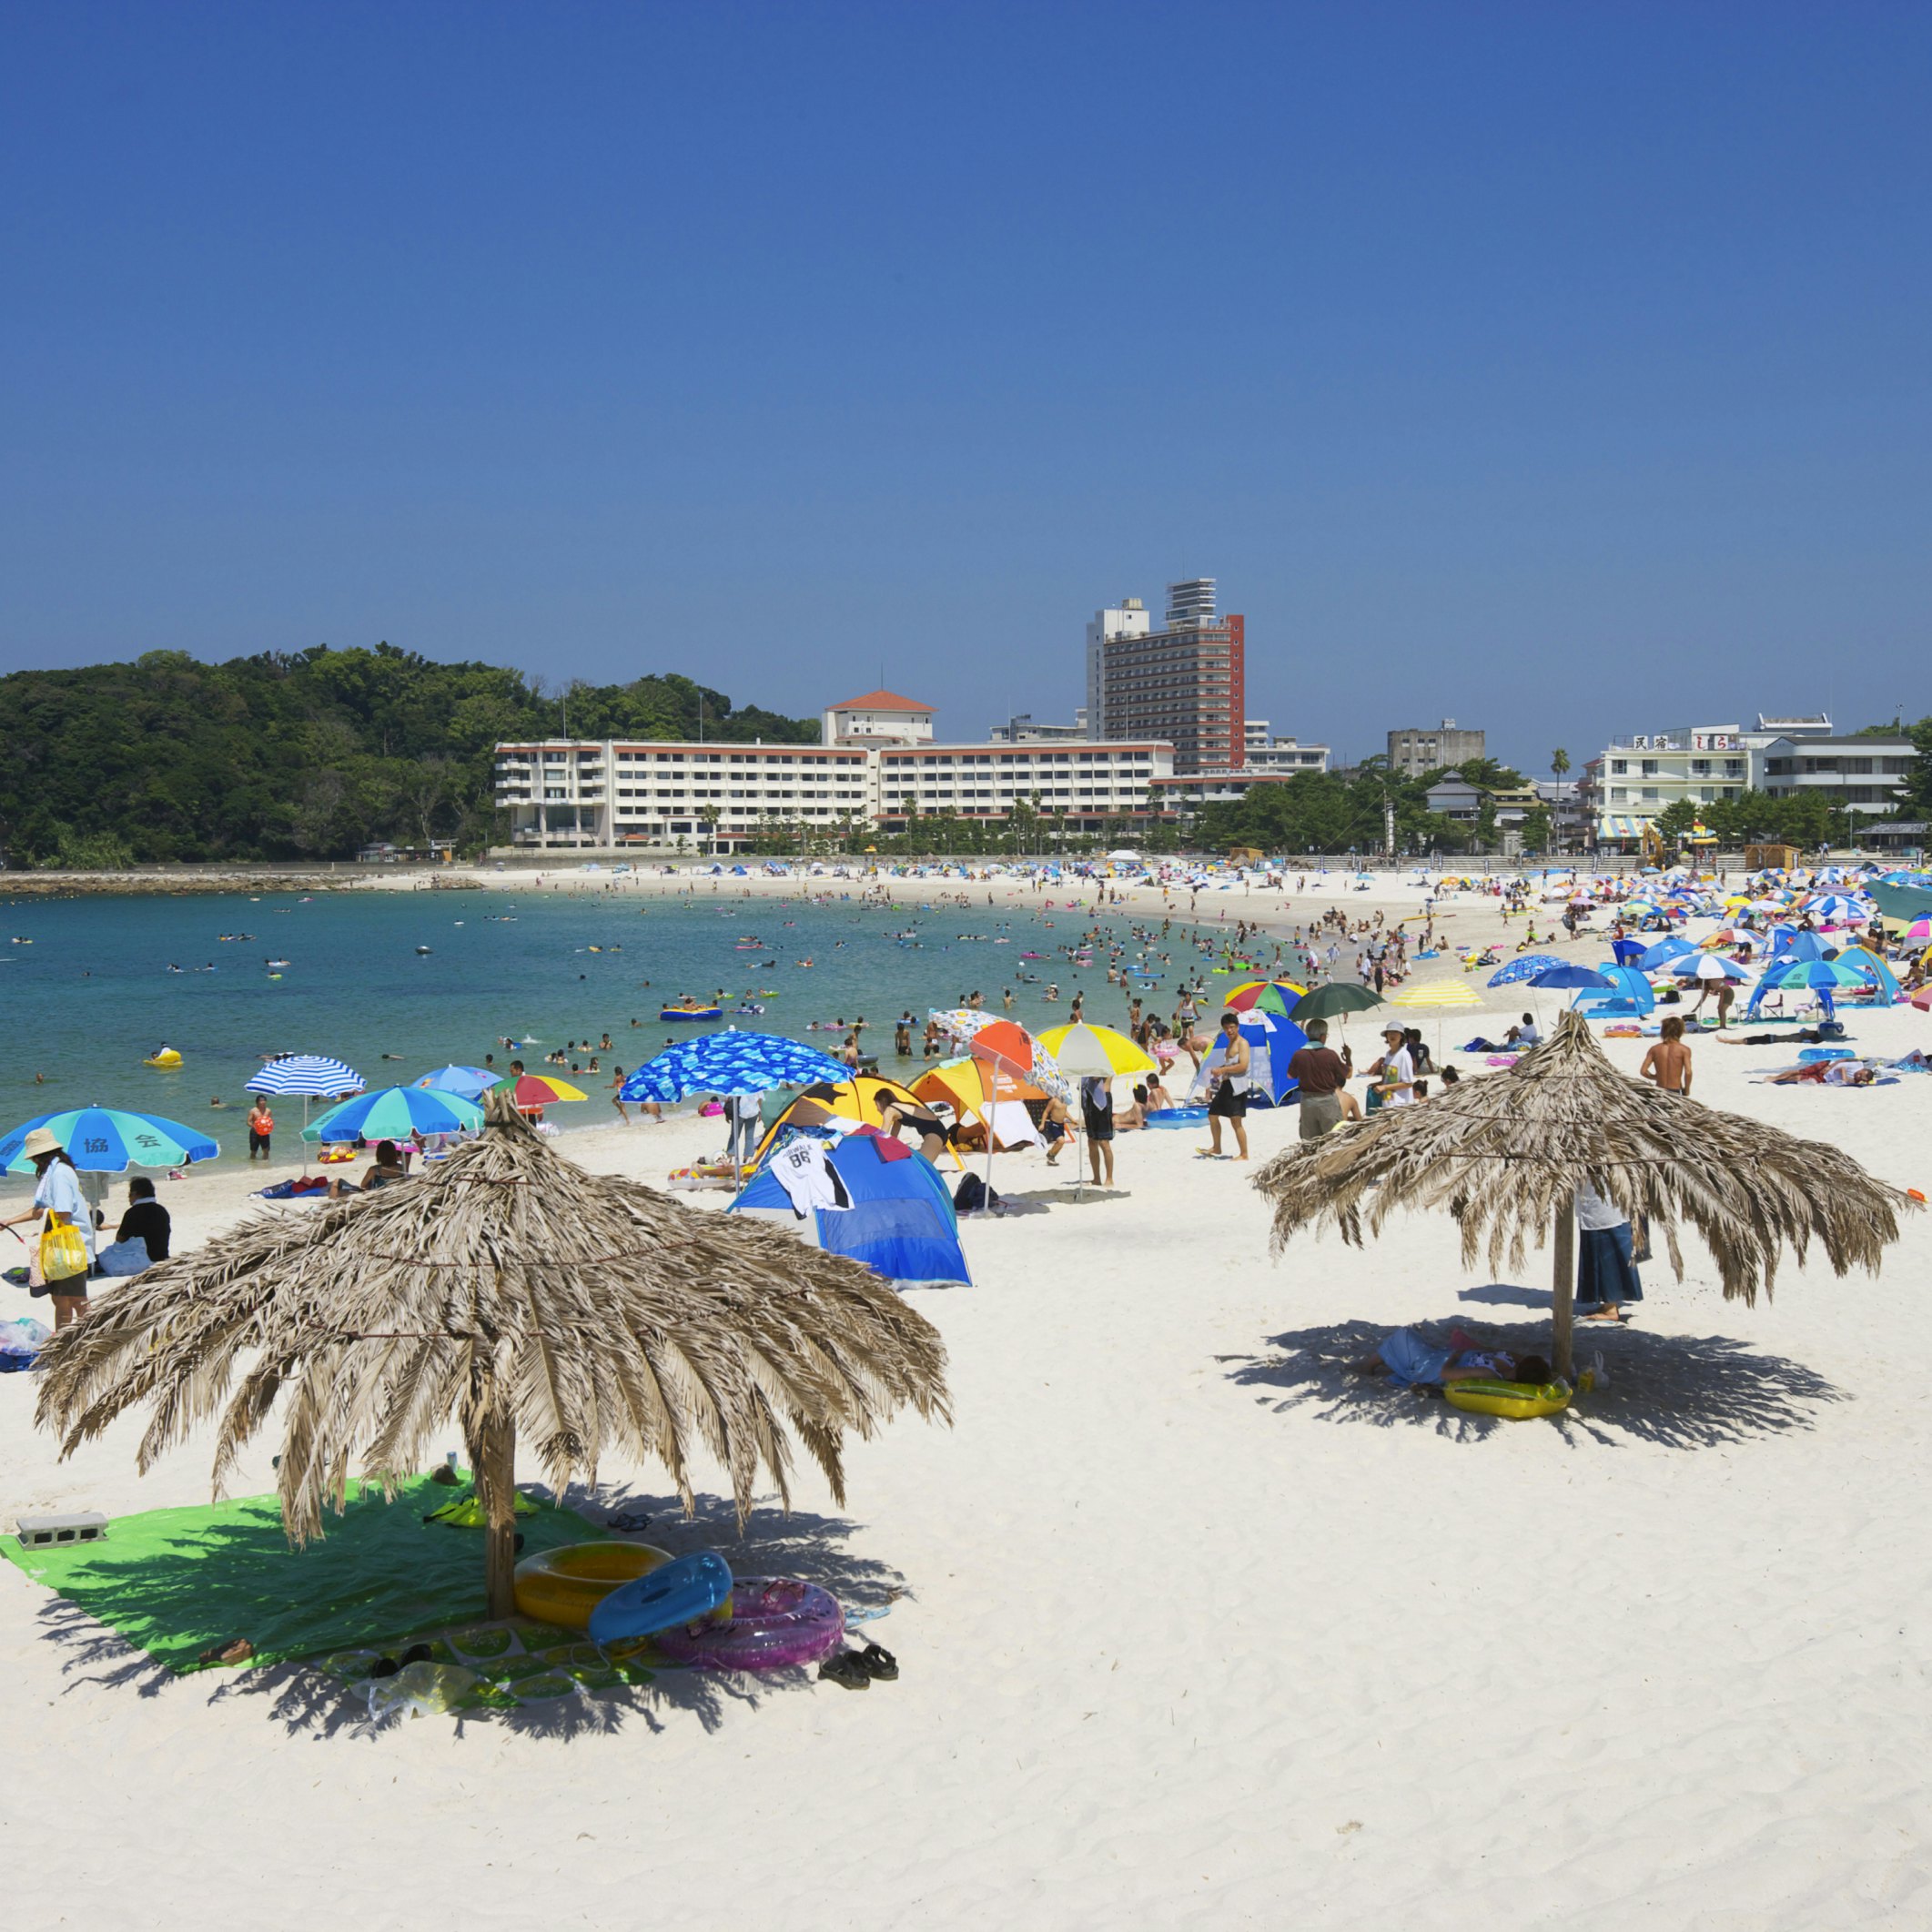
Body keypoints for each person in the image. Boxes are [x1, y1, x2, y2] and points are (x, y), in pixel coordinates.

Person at [0, 1128, 94, 1328]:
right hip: (68, 1246)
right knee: (72, 1298)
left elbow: (63, 1212)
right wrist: (10, 1221)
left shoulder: (59, 1174)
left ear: (39, 1156)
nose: (33, 1162)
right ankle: (82, 1338)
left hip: (70, 1247)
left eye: (34, 1158)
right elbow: (41, 1209)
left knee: (68, 1299)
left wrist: (41, 1213)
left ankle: (65, 1343)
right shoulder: (58, 1170)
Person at [1349, 1329, 1553, 1388]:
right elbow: (1491, 1349)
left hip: (1437, 1365)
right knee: (1409, 1338)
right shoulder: (1510, 1360)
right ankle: (1375, 1362)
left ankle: (1370, 1365)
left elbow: (1445, 1374)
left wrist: (1454, 1356)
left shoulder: (1490, 1373)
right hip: (1445, 1355)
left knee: (1404, 1336)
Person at [1574, 1176, 1643, 1322]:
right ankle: (1607, 1305)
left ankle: (1610, 1308)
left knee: (1606, 1257)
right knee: (1604, 1254)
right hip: (1605, 1205)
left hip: (1604, 1208)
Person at [1286, 1017, 1351, 1139]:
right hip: (1327, 1101)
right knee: (1333, 1139)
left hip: (1307, 1102)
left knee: (1310, 1142)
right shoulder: (1330, 1055)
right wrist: (1348, 1057)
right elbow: (1348, 1074)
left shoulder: (1299, 1055)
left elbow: (1290, 1076)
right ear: (1322, 1036)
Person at [1205, 1010, 1251, 1160]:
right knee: (1212, 1115)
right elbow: (1231, 1063)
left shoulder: (1242, 1043)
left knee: (1236, 1121)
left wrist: (1223, 1069)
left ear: (1237, 1027)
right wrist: (1219, 1071)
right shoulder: (1230, 1043)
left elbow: (1243, 1066)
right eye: (1226, 1028)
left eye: (1232, 1027)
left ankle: (1244, 1154)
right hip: (1226, 1084)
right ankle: (1217, 1147)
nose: (1229, 1030)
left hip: (1237, 1086)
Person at [875, 1091, 949, 1164]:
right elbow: (893, 1137)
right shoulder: (897, 1109)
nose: (877, 1109)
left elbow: (882, 1136)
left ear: (882, 1102)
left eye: (876, 1104)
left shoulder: (890, 1109)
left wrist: (872, 1147)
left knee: (921, 1168)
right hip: (938, 1132)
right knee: (924, 1168)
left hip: (934, 1134)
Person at [116, 1176, 171, 1263]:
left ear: (136, 1194)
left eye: (130, 1194)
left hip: (140, 1260)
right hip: (162, 1257)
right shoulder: (162, 1210)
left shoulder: (132, 1212)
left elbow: (120, 1239)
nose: (128, 1197)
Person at [1640, 1016, 1694, 1097]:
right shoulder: (1684, 1050)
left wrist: (1656, 1077)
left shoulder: (1654, 1049)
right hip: (1674, 1090)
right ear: (1681, 1031)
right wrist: (1687, 1089)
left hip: (1659, 1090)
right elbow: (1688, 1072)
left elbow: (1643, 1071)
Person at [1368, 1023, 1417, 1109]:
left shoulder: (1404, 1055)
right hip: (1388, 1102)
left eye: (1395, 1032)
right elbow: (1389, 1079)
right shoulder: (1388, 1054)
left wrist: (1384, 1087)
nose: (1392, 1035)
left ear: (1401, 1036)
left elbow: (1408, 1083)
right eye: (1389, 1033)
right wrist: (1377, 1085)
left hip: (1401, 1105)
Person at [1081, 1074, 1115, 1185]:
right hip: (1090, 1098)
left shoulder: (1106, 1061)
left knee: (1104, 1142)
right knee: (1091, 1141)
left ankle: (1109, 1178)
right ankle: (1096, 1178)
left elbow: (1096, 1076)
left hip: (1102, 1099)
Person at [726, 1089, 764, 1166]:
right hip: (753, 1113)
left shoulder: (737, 1084)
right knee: (749, 1137)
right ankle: (746, 1158)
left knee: (734, 1136)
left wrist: (727, 1115)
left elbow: (728, 1099)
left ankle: (729, 1156)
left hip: (739, 1113)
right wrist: (760, 1112)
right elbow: (760, 1099)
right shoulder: (757, 1084)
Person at [247, 1097, 274, 1161]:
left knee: (266, 1150)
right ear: (257, 1102)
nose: (263, 1102)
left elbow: (270, 1121)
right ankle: (252, 1165)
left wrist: (271, 1127)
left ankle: (265, 1164)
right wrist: (254, 1126)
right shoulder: (253, 1110)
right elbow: (248, 1122)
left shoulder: (268, 1110)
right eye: (261, 1101)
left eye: (264, 1100)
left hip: (265, 1132)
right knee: (253, 1151)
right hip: (255, 1132)